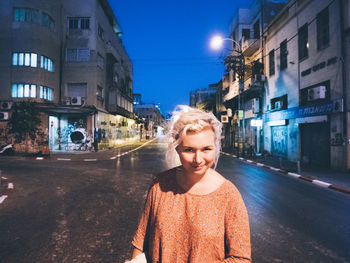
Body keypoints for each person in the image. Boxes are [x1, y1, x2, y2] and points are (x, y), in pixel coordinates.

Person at [128, 106, 251, 263]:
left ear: (216, 148)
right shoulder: (160, 186)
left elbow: (241, 258)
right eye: (189, 150)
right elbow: (140, 243)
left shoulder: (229, 195)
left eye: (206, 149)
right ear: (177, 148)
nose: (198, 159)